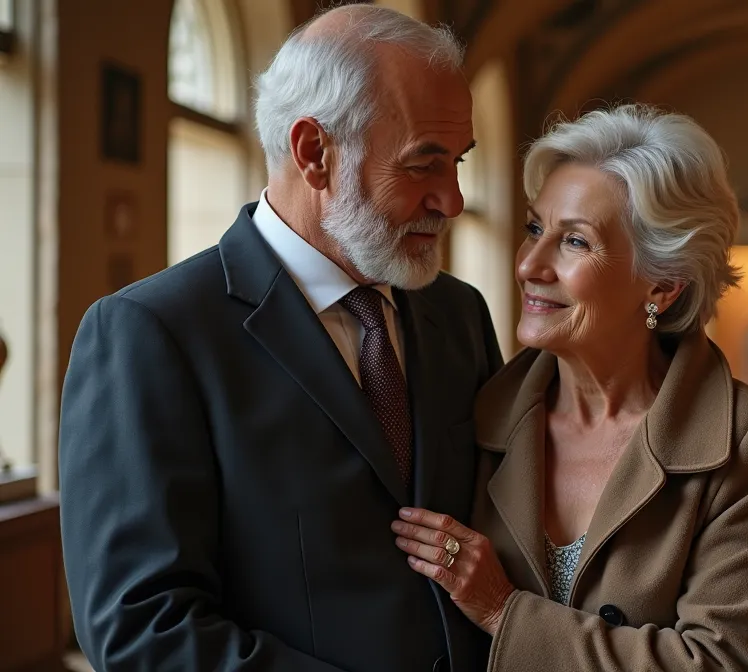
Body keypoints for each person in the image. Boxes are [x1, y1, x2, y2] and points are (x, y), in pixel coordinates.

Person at [58, 7, 500, 671]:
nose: (453, 200)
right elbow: (142, 631)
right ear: (314, 153)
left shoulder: (460, 314)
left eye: (458, 163)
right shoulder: (153, 334)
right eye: (423, 166)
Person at [391, 104, 748, 670]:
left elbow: (725, 661)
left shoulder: (745, 438)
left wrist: (503, 612)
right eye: (535, 228)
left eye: (575, 242)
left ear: (662, 285)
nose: (531, 264)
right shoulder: (474, 403)